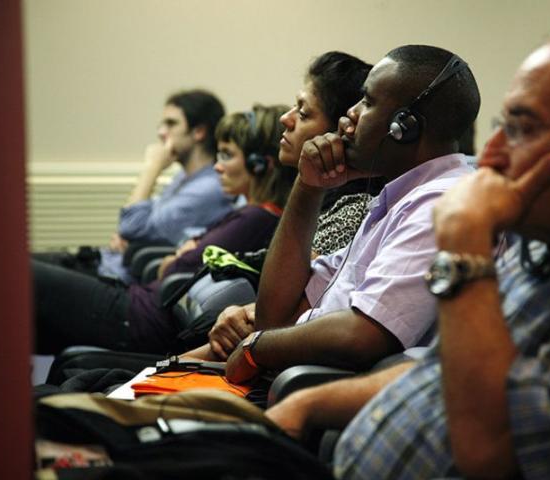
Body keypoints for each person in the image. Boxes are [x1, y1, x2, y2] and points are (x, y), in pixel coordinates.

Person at [266, 21, 550, 479]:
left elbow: (494, 453)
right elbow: (447, 371)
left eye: (522, 130)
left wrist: (465, 251)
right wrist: (310, 402)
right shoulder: (547, 248)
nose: (492, 153)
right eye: (502, 126)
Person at [181, 45, 481, 384]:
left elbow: (363, 335)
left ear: (405, 126)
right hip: (293, 383)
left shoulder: (437, 205)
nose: (347, 116)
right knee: (117, 385)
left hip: (312, 396)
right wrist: (308, 187)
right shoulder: (395, 201)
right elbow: (273, 315)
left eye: (366, 102)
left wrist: (257, 346)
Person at [33, 104, 294, 355]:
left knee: (25, 275)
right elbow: (185, 260)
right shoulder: (251, 213)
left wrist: (181, 255)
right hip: (137, 305)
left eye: (227, 155)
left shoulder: (257, 218)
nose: (217, 166)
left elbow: (176, 268)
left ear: (261, 165)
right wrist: (182, 254)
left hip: (137, 317)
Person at [199, 51, 385, 360]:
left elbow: (288, 311)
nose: (286, 119)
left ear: (339, 131)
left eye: (303, 112)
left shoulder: (354, 209)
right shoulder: (314, 200)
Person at [34, 89, 233, 284]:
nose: (161, 133)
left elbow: (131, 226)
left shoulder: (209, 188)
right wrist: (127, 233)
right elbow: (136, 224)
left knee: (26, 273)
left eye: (171, 124)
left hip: (114, 281)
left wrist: (152, 167)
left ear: (199, 132)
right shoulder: (184, 177)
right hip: (103, 263)